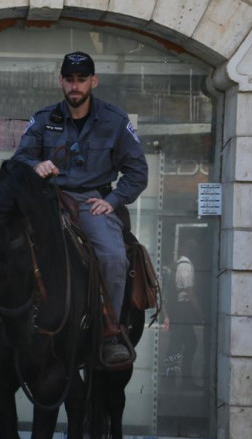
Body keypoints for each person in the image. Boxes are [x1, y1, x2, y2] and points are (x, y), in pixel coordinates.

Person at [11, 51, 149, 364]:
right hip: (46, 200)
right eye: (69, 79)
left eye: (82, 79)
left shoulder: (115, 121)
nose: (75, 86)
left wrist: (112, 201)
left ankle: (111, 331)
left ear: (93, 81)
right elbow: (19, 158)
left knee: (113, 257)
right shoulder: (44, 118)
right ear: (60, 80)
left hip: (90, 203)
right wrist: (36, 165)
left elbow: (138, 172)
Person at [162, 238, 202, 385]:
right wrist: (200, 312)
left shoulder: (178, 263)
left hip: (177, 309)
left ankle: (171, 378)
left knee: (178, 344)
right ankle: (182, 380)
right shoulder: (185, 265)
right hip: (183, 309)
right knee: (188, 344)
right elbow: (190, 292)